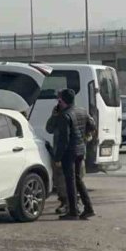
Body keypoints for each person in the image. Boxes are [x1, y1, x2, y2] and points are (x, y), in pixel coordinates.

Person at [46, 89, 96, 220]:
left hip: (69, 153)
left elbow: (64, 139)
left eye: (59, 100)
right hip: (80, 150)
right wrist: (84, 136)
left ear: (62, 101)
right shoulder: (82, 111)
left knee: (70, 182)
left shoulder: (64, 115)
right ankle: (88, 208)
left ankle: (73, 211)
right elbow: (92, 125)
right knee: (78, 180)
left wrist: (57, 158)